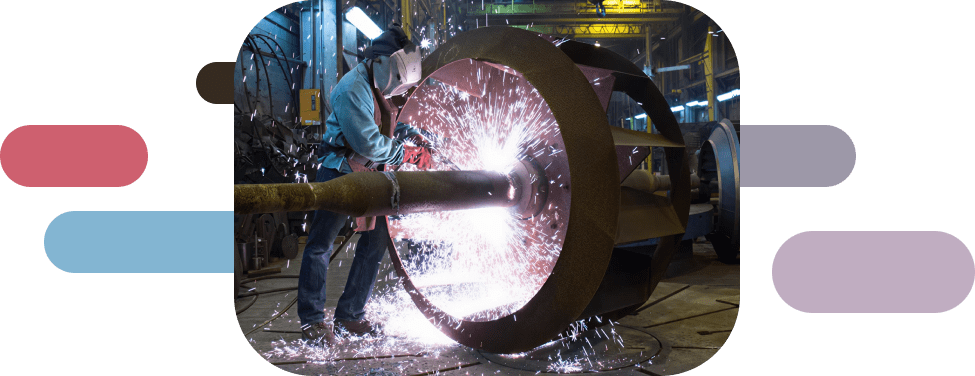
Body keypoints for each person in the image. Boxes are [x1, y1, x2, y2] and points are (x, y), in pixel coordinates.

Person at [298, 25, 434, 346]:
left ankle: (349, 315)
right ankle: (313, 321)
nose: (399, 87)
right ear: (382, 63)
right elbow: (369, 142)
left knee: (377, 241)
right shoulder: (351, 90)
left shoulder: (381, 86)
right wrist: (407, 153)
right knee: (321, 244)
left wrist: (413, 133)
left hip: (370, 172)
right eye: (399, 79)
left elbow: (391, 120)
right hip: (340, 171)